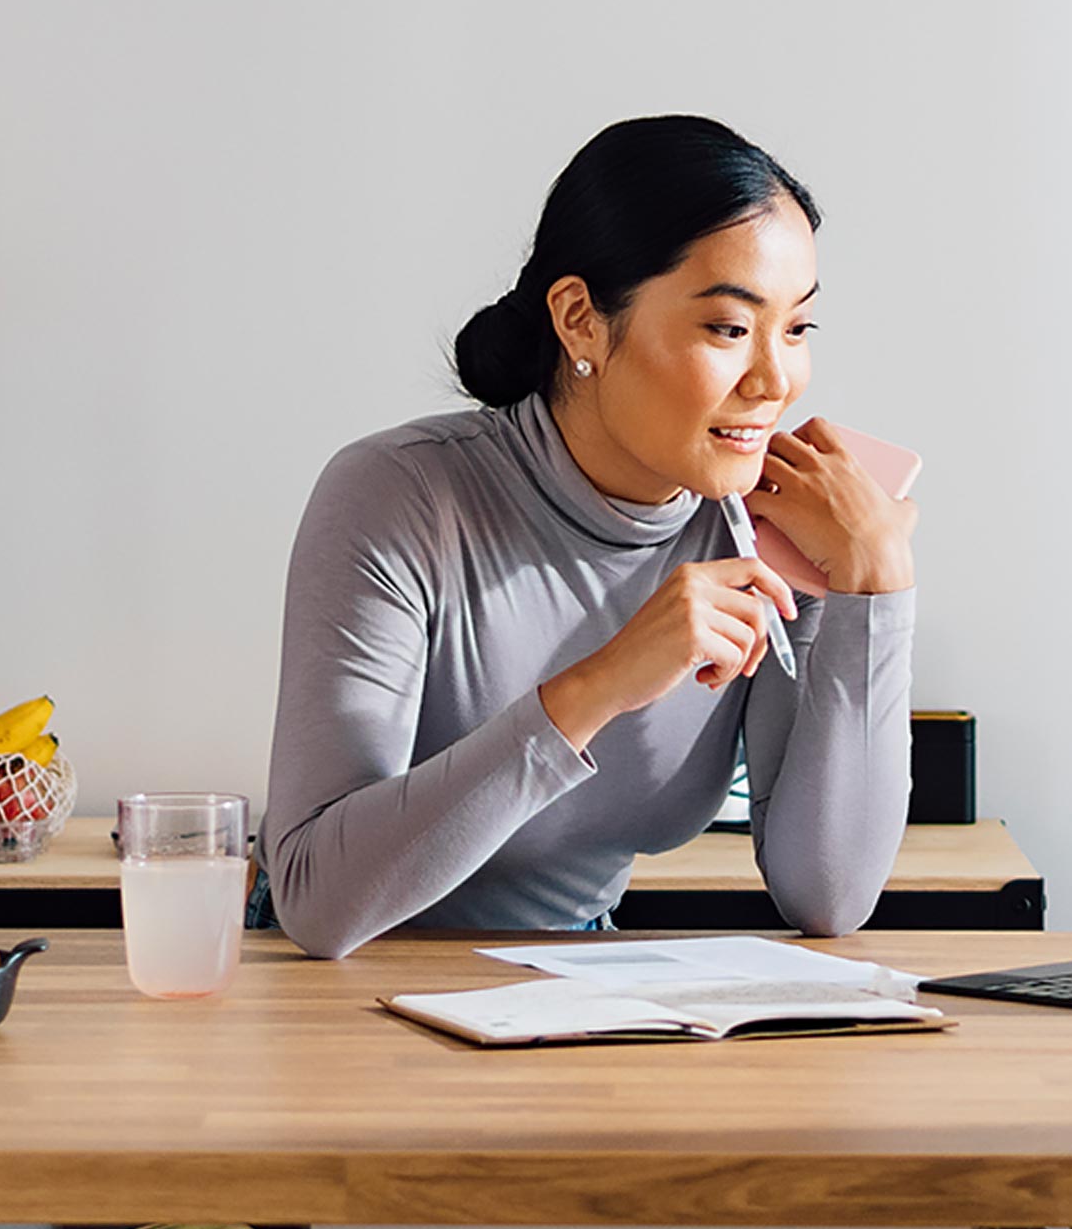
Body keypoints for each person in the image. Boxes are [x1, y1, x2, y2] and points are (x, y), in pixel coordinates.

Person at [251, 115, 918, 959]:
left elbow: (828, 895)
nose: (774, 380)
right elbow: (318, 898)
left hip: (568, 998)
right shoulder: (400, 496)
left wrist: (877, 591)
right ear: (580, 321)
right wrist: (600, 685)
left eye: (796, 329)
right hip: (334, 999)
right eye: (728, 328)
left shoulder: (765, 529)